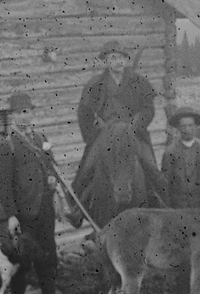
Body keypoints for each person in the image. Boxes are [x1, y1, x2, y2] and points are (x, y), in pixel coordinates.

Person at [69, 40, 166, 221]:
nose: (118, 61)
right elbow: (84, 113)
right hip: (106, 134)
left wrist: (135, 124)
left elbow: (148, 109)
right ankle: (76, 209)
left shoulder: (139, 81)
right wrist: (92, 133)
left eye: (121, 57)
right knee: (87, 168)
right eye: (113, 58)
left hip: (133, 132)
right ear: (106, 61)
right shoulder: (95, 84)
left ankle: (164, 204)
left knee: (151, 167)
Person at [0, 91, 65, 294]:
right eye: (18, 113)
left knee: (49, 256)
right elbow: (2, 185)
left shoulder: (41, 139)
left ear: (32, 113)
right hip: (23, 213)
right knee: (21, 260)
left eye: (27, 112)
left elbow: (51, 166)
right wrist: (11, 215)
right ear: (11, 116)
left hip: (44, 210)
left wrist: (52, 179)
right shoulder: (7, 145)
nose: (24, 117)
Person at [161, 107, 200, 209]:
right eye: (183, 126)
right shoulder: (170, 152)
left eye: (190, 125)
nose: (187, 129)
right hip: (180, 205)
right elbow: (166, 182)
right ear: (178, 128)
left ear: (196, 127)